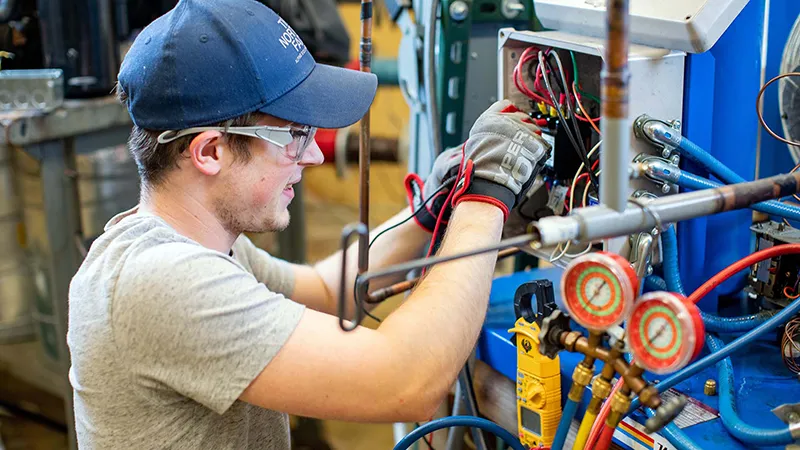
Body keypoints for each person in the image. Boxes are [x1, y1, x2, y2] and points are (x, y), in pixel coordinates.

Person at [66, 0, 551, 449]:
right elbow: (408, 382)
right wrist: (487, 196)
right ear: (210, 151)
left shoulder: (200, 244)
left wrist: (434, 207)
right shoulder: (162, 282)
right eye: (295, 135)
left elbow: (325, 292)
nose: (315, 154)